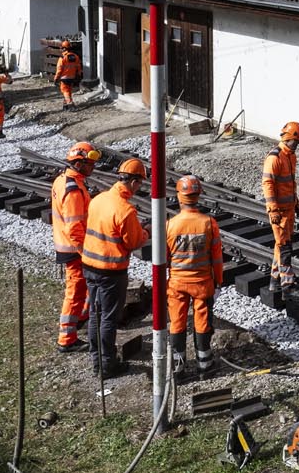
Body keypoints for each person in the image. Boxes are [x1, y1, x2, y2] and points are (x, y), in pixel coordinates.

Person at [80, 158, 151, 382]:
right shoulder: (125, 210)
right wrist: (146, 232)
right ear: (134, 182)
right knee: (109, 318)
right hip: (110, 272)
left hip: (89, 265)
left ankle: (96, 361)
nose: (139, 188)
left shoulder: (99, 199)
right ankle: (108, 365)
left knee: (95, 314)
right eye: (140, 183)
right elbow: (134, 242)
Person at [165, 174, 223, 380]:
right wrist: (218, 281)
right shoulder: (209, 223)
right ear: (198, 196)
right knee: (202, 322)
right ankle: (205, 366)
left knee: (177, 322)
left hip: (177, 284)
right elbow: (217, 258)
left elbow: (164, 258)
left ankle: (178, 369)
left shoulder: (170, 225)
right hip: (203, 284)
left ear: (179, 197)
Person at [50, 141, 101, 353]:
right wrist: (84, 252)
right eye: (90, 163)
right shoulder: (72, 190)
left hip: (68, 246)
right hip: (74, 250)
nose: (93, 167)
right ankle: (66, 338)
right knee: (75, 293)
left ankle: (81, 317)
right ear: (78, 164)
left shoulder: (63, 180)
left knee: (83, 288)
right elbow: (74, 228)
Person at [262, 121, 299, 294]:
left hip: (288, 209)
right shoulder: (275, 158)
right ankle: (288, 285)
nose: (297, 145)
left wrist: (296, 203)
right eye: (296, 141)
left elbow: (290, 184)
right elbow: (268, 184)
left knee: (281, 246)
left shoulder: (290, 156)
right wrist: (273, 210)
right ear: (288, 138)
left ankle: (275, 280)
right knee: (285, 247)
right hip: (279, 212)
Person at [54, 40, 83, 108]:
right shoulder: (75, 56)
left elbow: (59, 69)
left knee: (65, 91)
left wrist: (56, 78)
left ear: (64, 48)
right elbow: (79, 67)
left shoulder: (62, 58)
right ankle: (65, 105)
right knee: (68, 91)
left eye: (62, 48)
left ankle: (70, 104)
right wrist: (78, 75)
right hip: (72, 77)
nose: (61, 50)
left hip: (64, 78)